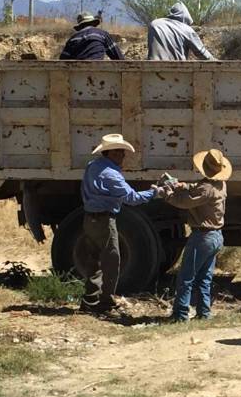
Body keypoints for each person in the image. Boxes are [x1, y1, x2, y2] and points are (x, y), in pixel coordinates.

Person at [79, 133, 170, 314]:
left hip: (89, 218)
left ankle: (90, 300)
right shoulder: (112, 175)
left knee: (93, 260)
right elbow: (132, 198)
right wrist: (155, 192)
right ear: (111, 153)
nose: (123, 155)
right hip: (105, 220)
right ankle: (106, 301)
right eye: (120, 152)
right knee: (112, 261)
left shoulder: (93, 166)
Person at [165, 149, 230, 321]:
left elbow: (183, 202)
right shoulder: (220, 185)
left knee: (186, 277)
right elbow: (199, 188)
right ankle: (204, 312)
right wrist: (184, 186)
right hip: (216, 236)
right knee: (204, 277)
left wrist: (167, 193)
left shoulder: (206, 188)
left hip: (202, 236)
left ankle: (180, 314)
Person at [146, 2, 215, 61]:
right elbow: (202, 53)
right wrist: (217, 62)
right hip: (177, 70)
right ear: (186, 17)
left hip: (151, 69)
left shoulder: (154, 24)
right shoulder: (187, 30)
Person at [59, 12, 124, 61]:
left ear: (80, 26)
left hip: (78, 73)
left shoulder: (73, 39)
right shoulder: (102, 34)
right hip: (99, 73)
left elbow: (63, 61)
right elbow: (118, 57)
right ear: (93, 23)